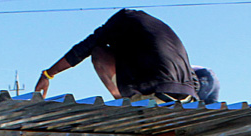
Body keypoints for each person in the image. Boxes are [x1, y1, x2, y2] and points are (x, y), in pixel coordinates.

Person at [35, 9, 217, 103]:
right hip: (188, 96)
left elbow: (84, 47)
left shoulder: (121, 21)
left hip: (160, 90)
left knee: (98, 51)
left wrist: (48, 74)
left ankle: (125, 102)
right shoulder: (153, 30)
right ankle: (135, 98)